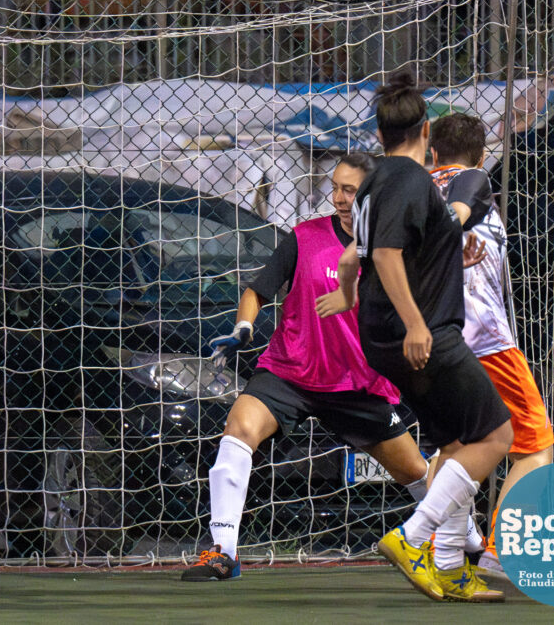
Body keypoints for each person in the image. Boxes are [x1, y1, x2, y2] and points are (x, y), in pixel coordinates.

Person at [181, 153, 432, 582]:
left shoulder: (394, 250)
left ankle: (467, 540)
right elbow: (257, 291)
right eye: (334, 187)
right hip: (290, 372)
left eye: (348, 190)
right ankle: (223, 551)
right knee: (238, 429)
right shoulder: (305, 237)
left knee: (414, 471)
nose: (336, 197)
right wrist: (243, 327)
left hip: (356, 383)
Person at [317, 73, 513, 603]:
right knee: (498, 437)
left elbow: (354, 253)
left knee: (455, 446)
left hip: (389, 333)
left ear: (378, 134)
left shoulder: (374, 183)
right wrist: (419, 323)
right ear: (425, 130)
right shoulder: (407, 179)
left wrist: (351, 295)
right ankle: (413, 536)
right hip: (420, 335)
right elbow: (383, 254)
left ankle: (450, 565)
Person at [427, 113, 554, 579]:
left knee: (456, 445)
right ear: (481, 157)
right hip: (484, 340)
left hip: (430, 338)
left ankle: (440, 550)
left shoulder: (410, 190)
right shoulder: (475, 181)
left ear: (432, 152)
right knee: (535, 446)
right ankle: (502, 552)